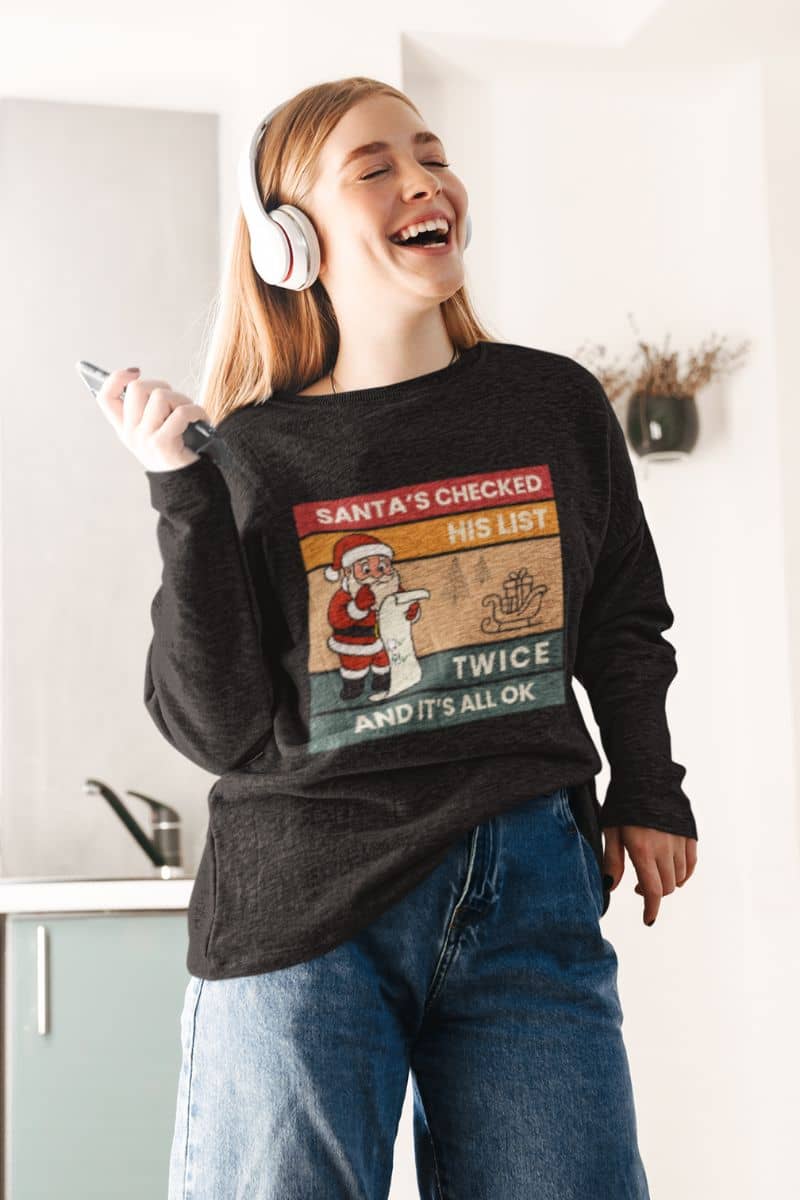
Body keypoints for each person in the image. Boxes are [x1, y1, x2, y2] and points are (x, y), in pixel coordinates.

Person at [96, 76, 698, 1200]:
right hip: (304, 904)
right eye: (375, 168)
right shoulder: (248, 458)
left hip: (528, 883)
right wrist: (179, 490)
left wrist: (647, 786)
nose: (424, 181)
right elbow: (214, 725)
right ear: (289, 242)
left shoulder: (552, 404)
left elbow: (620, 615)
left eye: (430, 155)